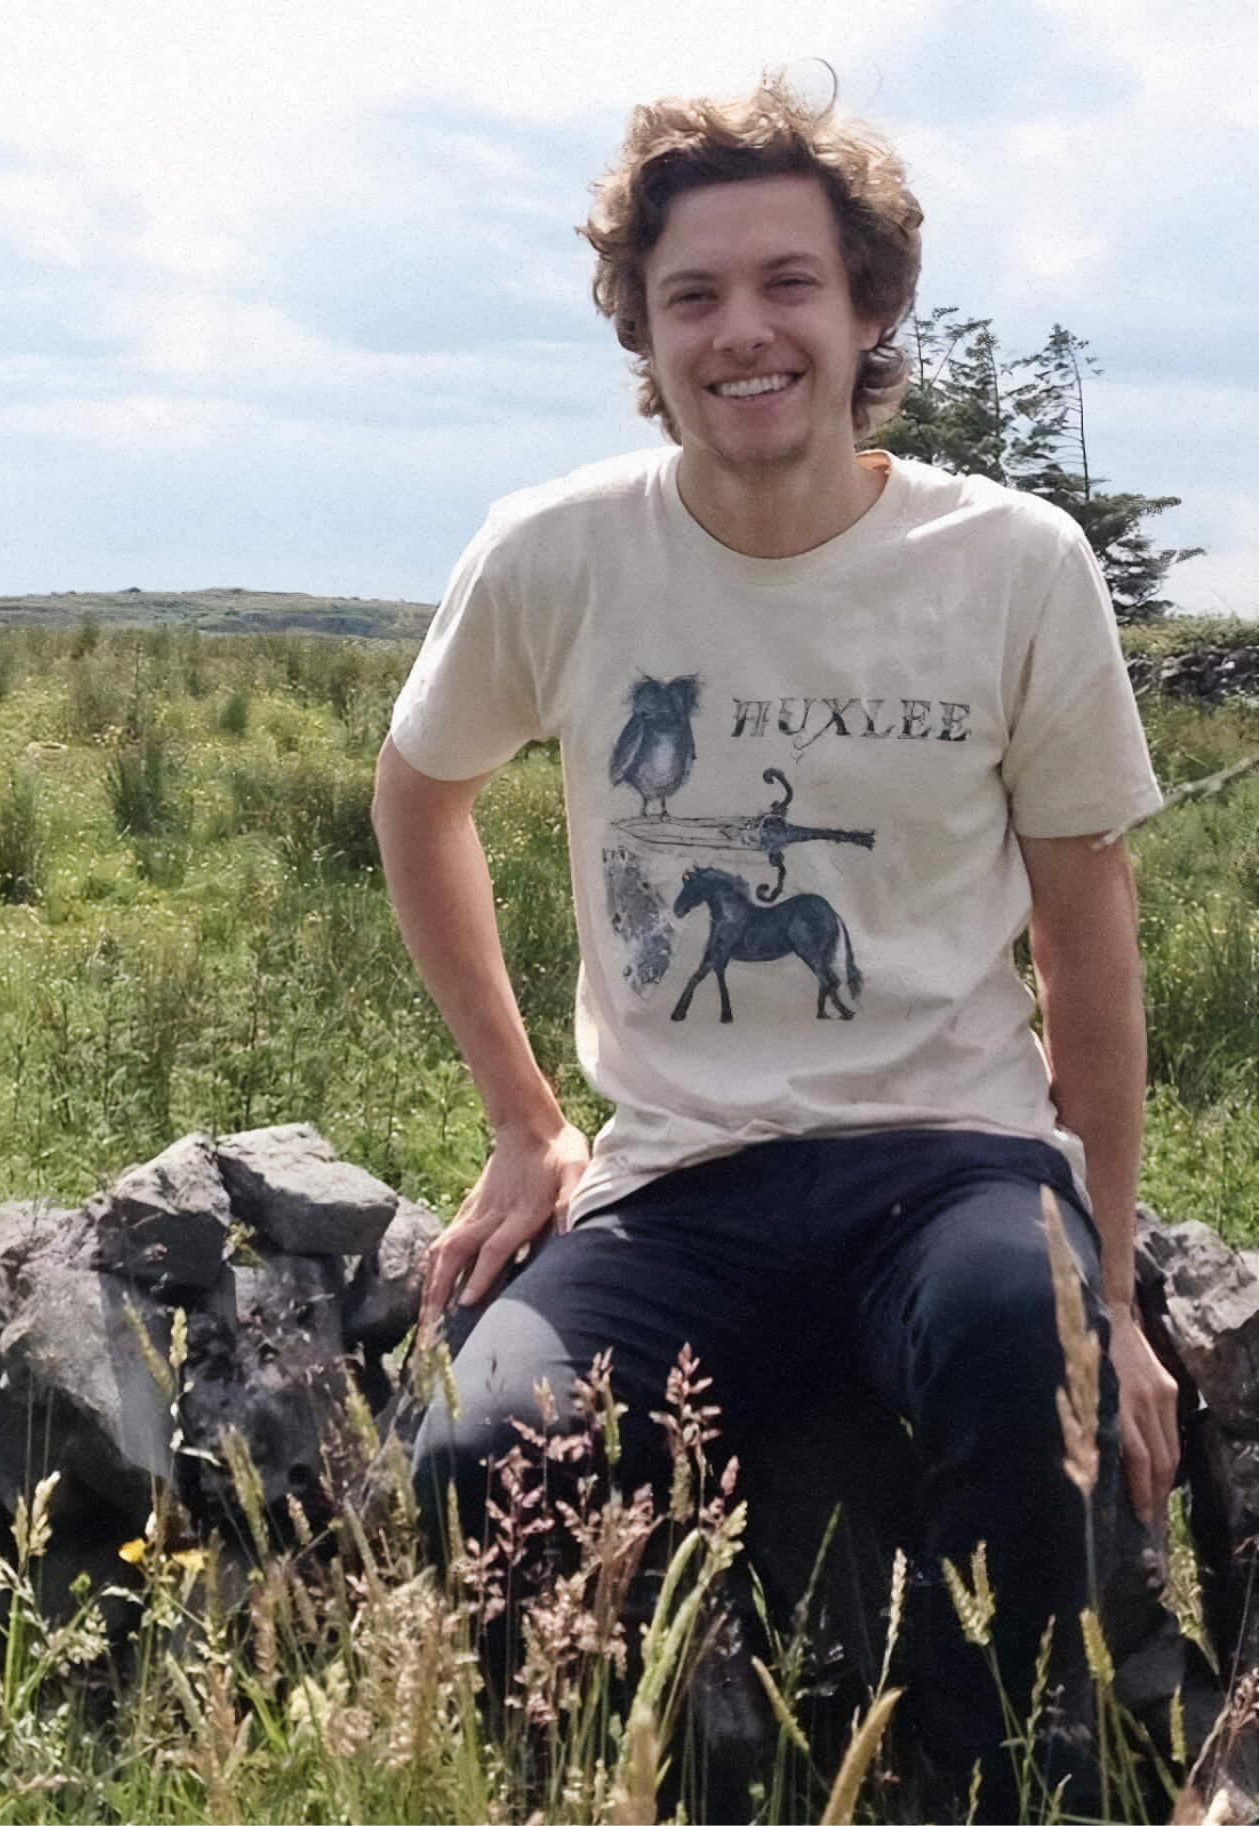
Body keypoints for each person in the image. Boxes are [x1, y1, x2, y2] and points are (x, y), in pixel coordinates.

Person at [370, 73, 1180, 1816]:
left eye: (787, 284)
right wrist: (526, 1123)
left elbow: (1088, 941)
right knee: (478, 1445)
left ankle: (988, 1782)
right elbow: (417, 796)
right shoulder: (560, 555)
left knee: (1006, 1346)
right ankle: (629, 1775)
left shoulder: (1013, 565)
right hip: (676, 1180)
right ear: (645, 335)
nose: (744, 332)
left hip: (952, 1162)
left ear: (870, 305)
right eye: (694, 297)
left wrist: (1102, 1291)